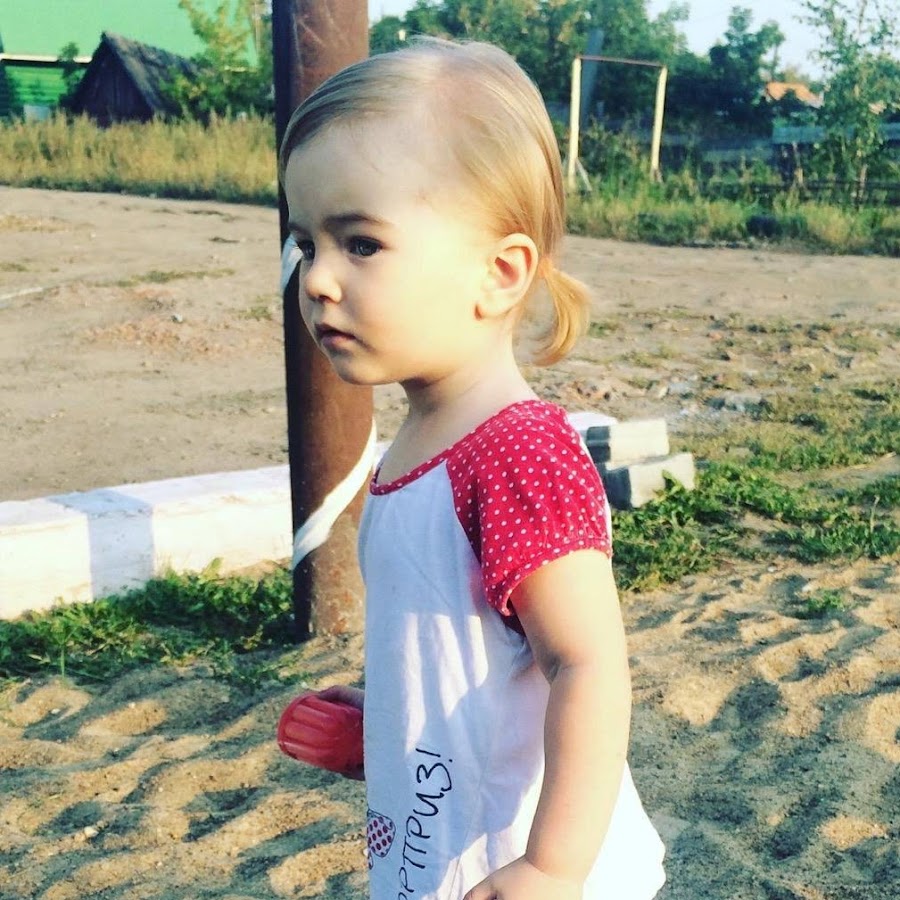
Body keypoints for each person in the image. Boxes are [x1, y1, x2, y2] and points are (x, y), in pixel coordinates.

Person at [278, 37, 666, 900]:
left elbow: (588, 666)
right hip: (441, 841)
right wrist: (387, 720)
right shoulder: (422, 441)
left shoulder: (518, 453)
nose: (319, 279)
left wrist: (554, 868)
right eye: (307, 243)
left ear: (499, 273)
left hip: (523, 863)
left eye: (361, 243)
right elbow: (467, 654)